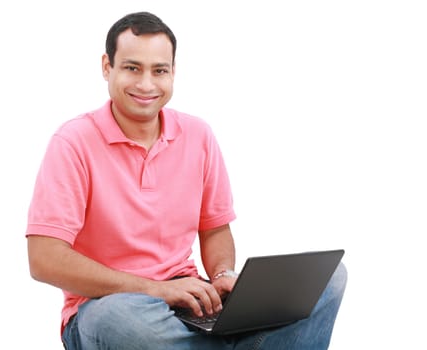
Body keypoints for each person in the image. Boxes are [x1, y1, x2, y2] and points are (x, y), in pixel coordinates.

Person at [26, 11, 347, 350]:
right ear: (107, 67)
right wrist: (155, 289)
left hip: (190, 298)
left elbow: (215, 229)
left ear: (173, 72)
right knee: (122, 323)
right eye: (132, 68)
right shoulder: (73, 142)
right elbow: (44, 258)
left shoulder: (198, 135)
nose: (146, 84)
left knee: (329, 279)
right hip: (109, 305)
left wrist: (223, 276)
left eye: (159, 70)